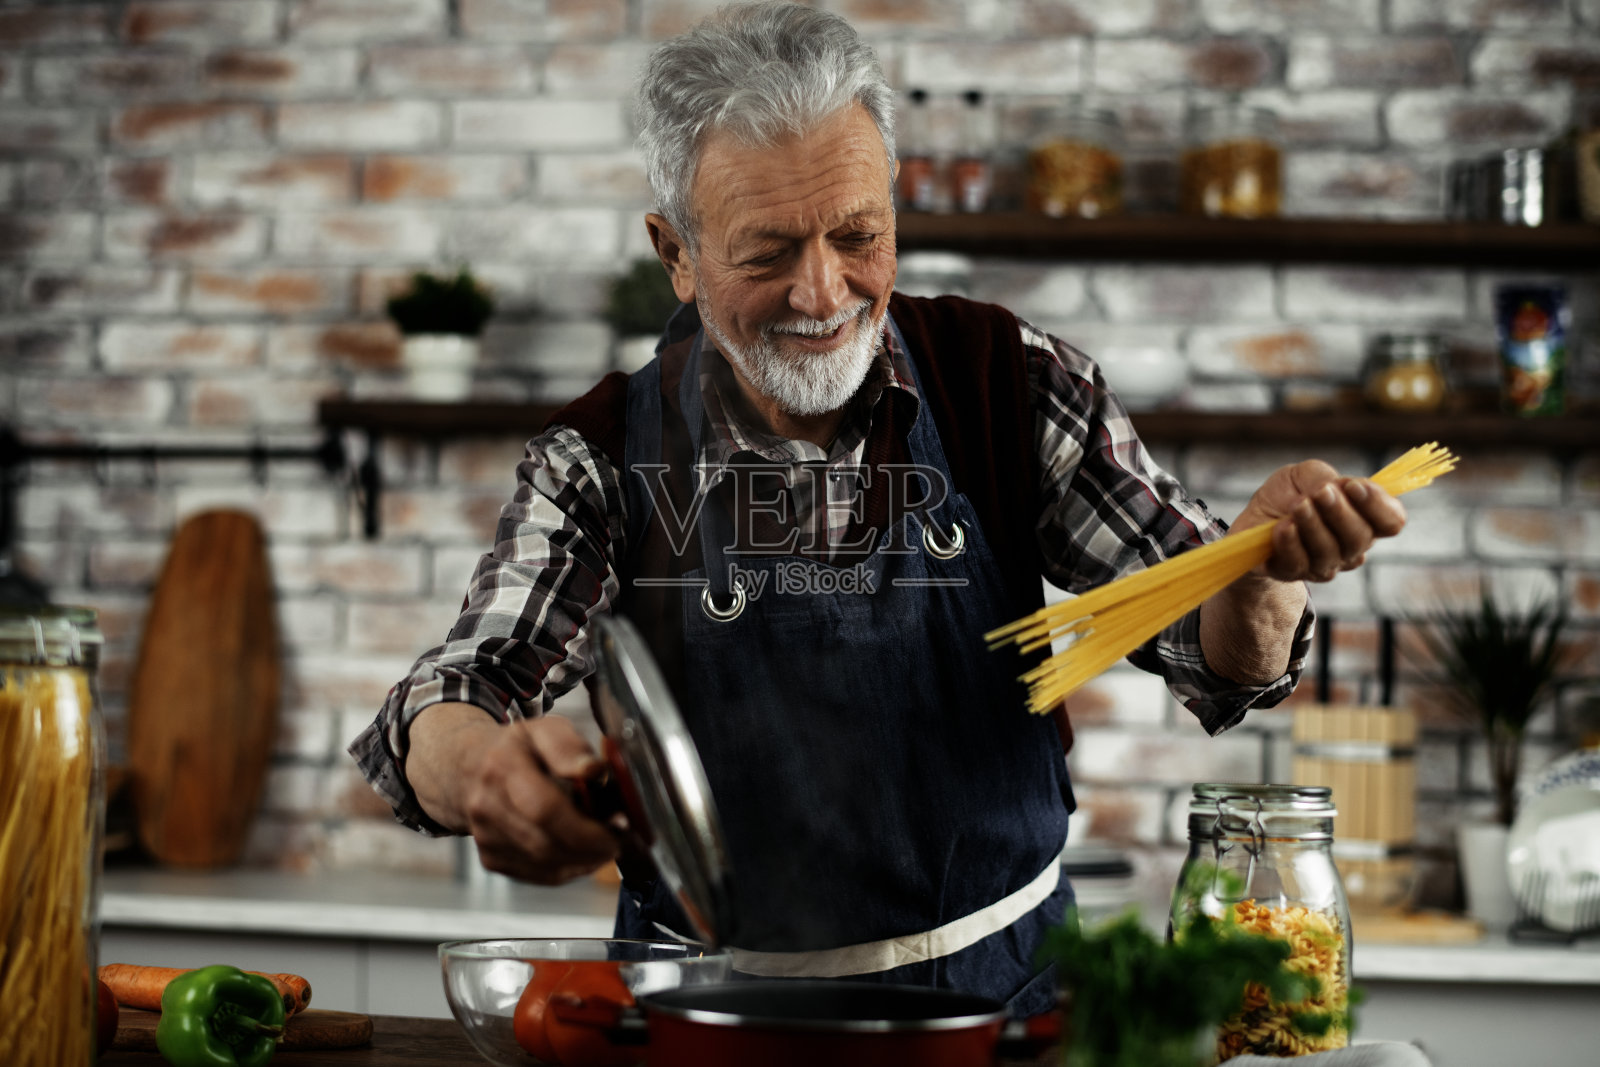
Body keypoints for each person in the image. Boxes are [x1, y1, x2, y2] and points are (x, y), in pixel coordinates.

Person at [350, 1, 1407, 1016]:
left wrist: (1259, 570)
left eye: (857, 235)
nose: (823, 293)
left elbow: (1215, 656)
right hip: (702, 1020)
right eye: (766, 253)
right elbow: (452, 693)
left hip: (1001, 1006)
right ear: (676, 254)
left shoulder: (1010, 382)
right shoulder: (602, 458)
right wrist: (485, 768)